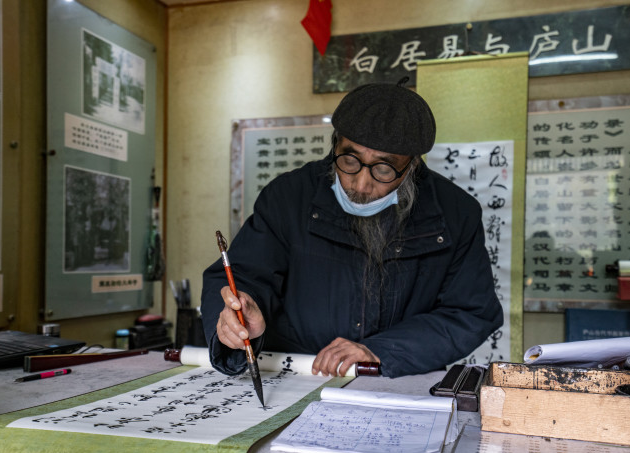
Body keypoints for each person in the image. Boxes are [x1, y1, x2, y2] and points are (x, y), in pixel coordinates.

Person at [201, 80, 503, 378]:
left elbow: (470, 312)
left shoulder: (455, 213)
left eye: (383, 169)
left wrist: (381, 351)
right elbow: (244, 274)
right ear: (335, 144)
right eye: (350, 159)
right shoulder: (290, 196)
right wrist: (240, 314)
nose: (361, 184)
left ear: (412, 166)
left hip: (396, 380)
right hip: (296, 376)